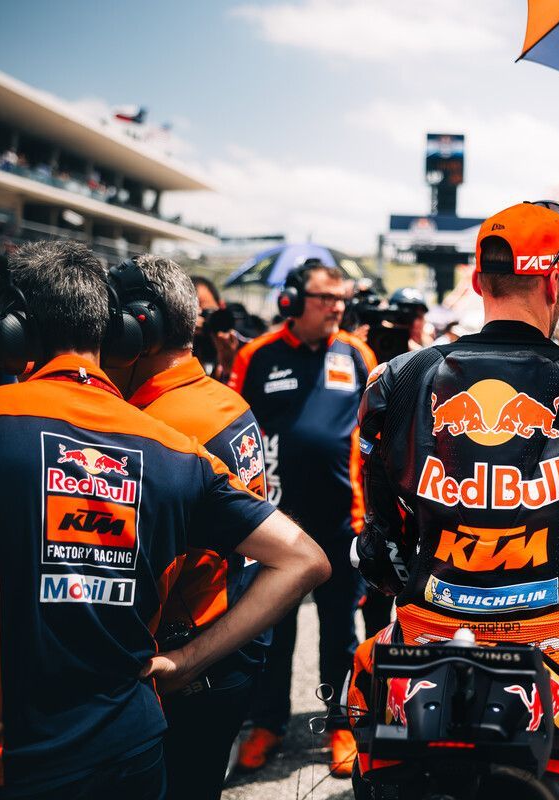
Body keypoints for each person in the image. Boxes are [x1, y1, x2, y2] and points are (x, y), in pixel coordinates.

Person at [0, 241, 330, 798]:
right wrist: (182, 662)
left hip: (1, 764)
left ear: (12, 330)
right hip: (135, 750)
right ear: (117, 332)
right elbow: (305, 559)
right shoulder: (176, 447)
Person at [349, 201, 559, 800]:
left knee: (365, 702)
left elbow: (378, 549)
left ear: (478, 281)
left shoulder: (393, 381)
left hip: (425, 633)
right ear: (556, 282)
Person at [102, 255, 271, 800]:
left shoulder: (157, 427)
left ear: (137, 330)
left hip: (183, 661)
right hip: (227, 643)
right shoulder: (221, 398)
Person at [229, 262, 377, 777]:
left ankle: (339, 722)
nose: (337, 307)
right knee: (271, 627)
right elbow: (234, 431)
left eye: (341, 298)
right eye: (325, 298)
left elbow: (373, 434)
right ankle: (265, 724)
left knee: (340, 629)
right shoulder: (257, 355)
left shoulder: (357, 355)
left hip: (342, 520)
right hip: (274, 521)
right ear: (293, 299)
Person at [191, 276, 240, 384]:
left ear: (221, 306)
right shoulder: (177, 344)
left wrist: (230, 364)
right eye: (194, 314)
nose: (203, 321)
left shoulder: (237, 341)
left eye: (207, 312)